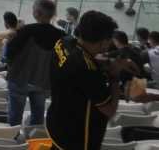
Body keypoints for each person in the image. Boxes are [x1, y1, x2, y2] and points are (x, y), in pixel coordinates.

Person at [47, 11, 144, 150]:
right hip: (78, 138)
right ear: (104, 41)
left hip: (57, 123)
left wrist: (111, 61)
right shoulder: (88, 71)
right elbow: (109, 110)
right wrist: (114, 77)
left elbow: (84, 57)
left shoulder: (63, 42)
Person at [4, 0, 64, 126]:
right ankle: (35, 141)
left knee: (15, 117)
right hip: (43, 83)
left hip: (19, 78)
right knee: (38, 117)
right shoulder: (61, 35)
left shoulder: (26, 30)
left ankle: (13, 142)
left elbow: (9, 54)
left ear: (37, 13)